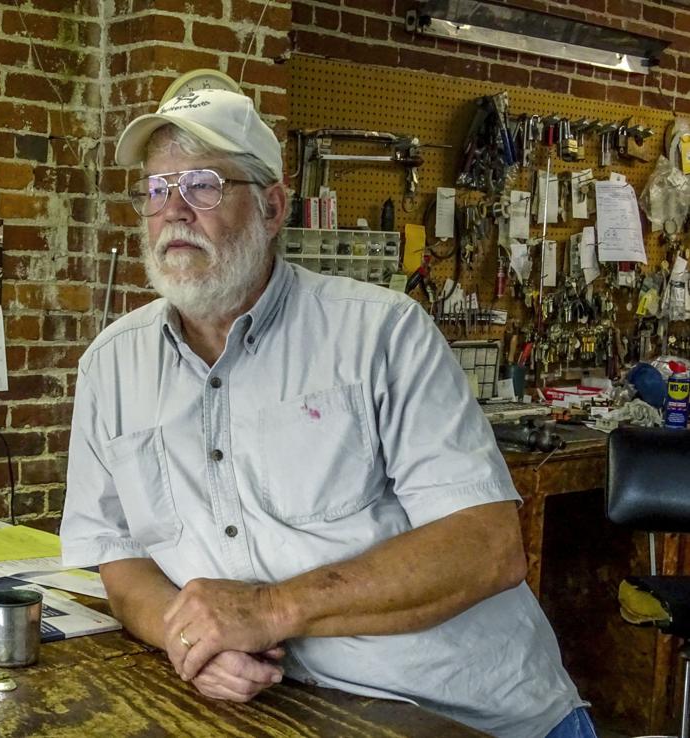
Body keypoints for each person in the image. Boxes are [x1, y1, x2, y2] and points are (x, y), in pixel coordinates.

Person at [60, 88, 595, 738]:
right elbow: (119, 558)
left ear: (273, 206)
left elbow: (486, 547)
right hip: (285, 715)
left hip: (461, 714)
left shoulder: (381, 333)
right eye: (156, 189)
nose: (172, 212)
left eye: (202, 186)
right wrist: (188, 637)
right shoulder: (110, 367)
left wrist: (270, 609)